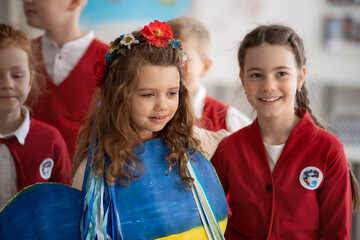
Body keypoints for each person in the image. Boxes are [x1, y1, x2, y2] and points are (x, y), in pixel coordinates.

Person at [72, 20, 228, 239]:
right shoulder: (96, 171)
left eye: (172, 93)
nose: (162, 105)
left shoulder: (192, 143)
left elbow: (239, 144)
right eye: (148, 94)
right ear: (119, 96)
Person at [211, 24, 359, 239]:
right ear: (243, 79)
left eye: (281, 73)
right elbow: (207, 221)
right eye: (256, 75)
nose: (269, 86)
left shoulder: (328, 149)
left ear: (300, 77)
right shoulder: (227, 150)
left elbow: (337, 234)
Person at [22, 0, 109, 158]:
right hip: (28, 177)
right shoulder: (19, 56)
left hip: (83, 178)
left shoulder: (109, 60)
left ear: (74, 3)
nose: (27, 1)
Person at [0, 24, 71, 208]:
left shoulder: (51, 141)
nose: (7, 84)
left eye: (17, 75)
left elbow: (64, 205)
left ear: (30, 80)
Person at [168, 17, 251, 132]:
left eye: (184, 60)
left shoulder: (230, 121)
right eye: (167, 59)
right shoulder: (148, 114)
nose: (174, 68)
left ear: (205, 67)